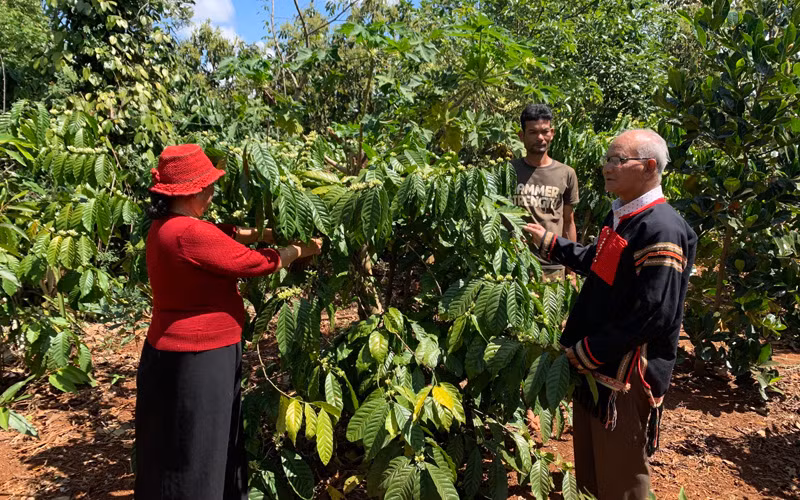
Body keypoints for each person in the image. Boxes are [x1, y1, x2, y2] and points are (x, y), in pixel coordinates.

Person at [135, 144, 322, 500]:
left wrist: (267, 232)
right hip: (199, 358)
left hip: (169, 352)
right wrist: (302, 250)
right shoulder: (190, 234)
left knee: (175, 444)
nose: (211, 192)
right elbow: (253, 264)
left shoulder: (166, 226)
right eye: (207, 187)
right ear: (190, 191)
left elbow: (225, 234)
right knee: (200, 446)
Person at [523, 130, 697, 500]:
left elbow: (655, 314)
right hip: (596, 368)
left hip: (623, 373)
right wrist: (552, 244)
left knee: (621, 479)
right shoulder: (623, 215)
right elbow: (602, 264)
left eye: (618, 160)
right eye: (607, 159)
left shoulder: (661, 228)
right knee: (592, 470)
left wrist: (591, 349)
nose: (607, 167)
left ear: (649, 167)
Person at [512, 103, 579, 280]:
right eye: (533, 132)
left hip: (552, 265)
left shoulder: (566, 173)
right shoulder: (508, 172)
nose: (540, 137)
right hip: (514, 264)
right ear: (521, 136)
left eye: (545, 131)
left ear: (552, 133)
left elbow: (568, 222)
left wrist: (571, 268)